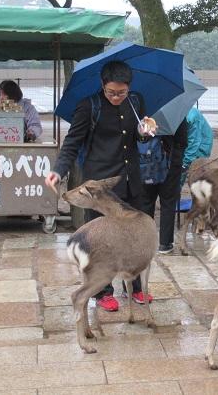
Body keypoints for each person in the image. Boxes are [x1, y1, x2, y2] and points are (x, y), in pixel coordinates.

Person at [45, 60, 156, 312]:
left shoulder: (136, 102)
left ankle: (136, 286)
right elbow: (72, 143)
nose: (116, 97)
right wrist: (57, 171)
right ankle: (103, 291)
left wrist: (145, 130)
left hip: (130, 180)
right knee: (102, 240)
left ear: (129, 87)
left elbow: (138, 134)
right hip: (99, 189)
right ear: (102, 85)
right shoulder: (88, 106)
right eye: (111, 92)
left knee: (136, 235)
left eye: (121, 92)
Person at [141, 120, 188, 255]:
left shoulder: (144, 115)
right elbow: (182, 141)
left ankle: (145, 240)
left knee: (146, 203)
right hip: (170, 167)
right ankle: (165, 243)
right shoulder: (176, 115)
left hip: (146, 166)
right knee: (168, 203)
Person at [181, 107, 213, 185]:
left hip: (201, 145)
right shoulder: (179, 114)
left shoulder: (191, 117)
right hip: (189, 142)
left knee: (196, 175)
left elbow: (194, 142)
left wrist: (185, 163)